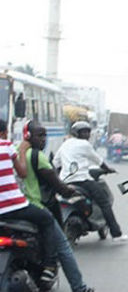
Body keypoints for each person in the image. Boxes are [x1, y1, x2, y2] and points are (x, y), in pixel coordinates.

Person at [19, 121, 95, 292]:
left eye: (45, 135)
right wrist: (70, 191)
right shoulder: (37, 156)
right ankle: (78, 287)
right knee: (63, 248)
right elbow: (56, 183)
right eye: (40, 135)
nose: (44, 139)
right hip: (37, 206)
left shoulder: (17, 153)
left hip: (15, 208)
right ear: (28, 136)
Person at [0, 119, 58, 289]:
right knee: (47, 220)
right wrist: (22, 150)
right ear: (4, 133)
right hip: (14, 207)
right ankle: (49, 266)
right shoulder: (7, 145)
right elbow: (23, 173)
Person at [53, 121, 128, 241]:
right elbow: (98, 160)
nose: (87, 134)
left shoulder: (65, 144)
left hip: (65, 181)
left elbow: (56, 163)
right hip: (82, 180)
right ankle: (116, 233)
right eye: (83, 132)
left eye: (88, 131)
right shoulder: (85, 145)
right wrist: (108, 169)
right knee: (104, 203)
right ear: (77, 133)